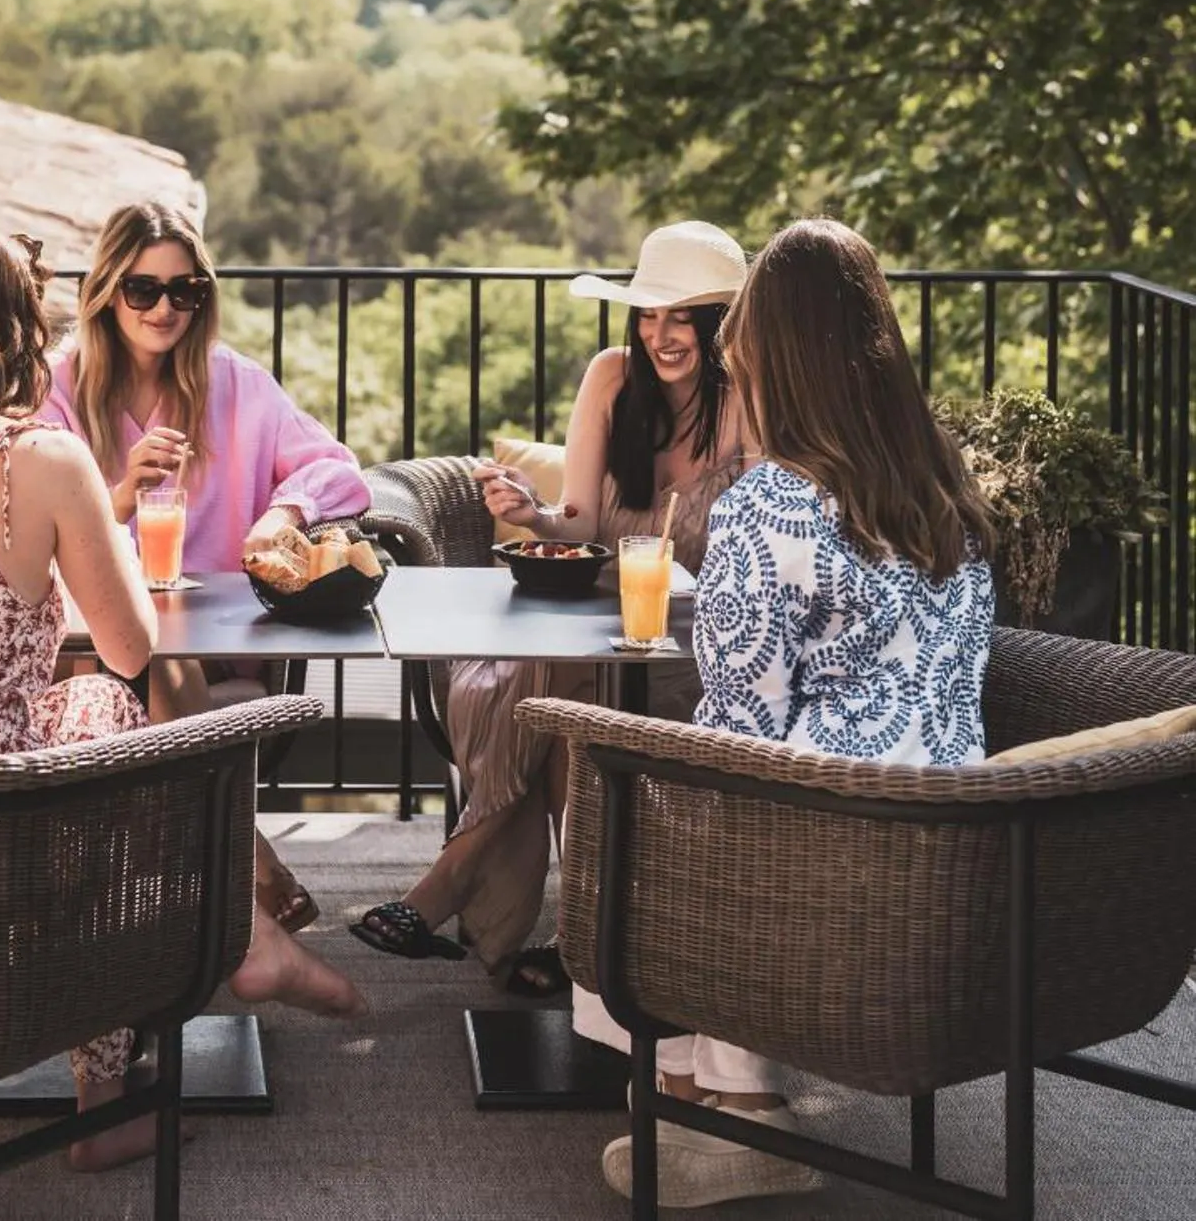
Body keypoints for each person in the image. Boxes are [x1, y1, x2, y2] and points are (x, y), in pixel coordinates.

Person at [0, 223, 359, 1178]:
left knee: (89, 716)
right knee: (107, 711)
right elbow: (129, 645)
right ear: (17, 326)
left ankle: (248, 931)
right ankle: (114, 1086)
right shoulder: (36, 459)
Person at [602, 218, 997, 1209]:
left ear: (769, 362)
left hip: (832, 868)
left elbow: (740, 727)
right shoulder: (945, 492)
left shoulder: (765, 507)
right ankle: (702, 1097)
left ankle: (722, 1107)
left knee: (627, 802)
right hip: (969, 853)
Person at [352, 220, 748, 993]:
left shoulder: (747, 406)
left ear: (718, 325)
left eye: (682, 317)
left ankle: (451, 878)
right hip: (592, 626)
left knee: (544, 688)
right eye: (648, 315)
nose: (660, 335)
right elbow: (582, 527)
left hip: (689, 645)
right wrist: (531, 514)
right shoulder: (611, 378)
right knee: (560, 718)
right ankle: (583, 945)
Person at [40, 200, 373, 934]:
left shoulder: (235, 385)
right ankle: (246, 859)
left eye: (184, 291)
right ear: (106, 292)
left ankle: (138, 931)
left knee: (160, 657)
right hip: (82, 646)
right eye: (143, 290)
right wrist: (121, 495)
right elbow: (34, 533)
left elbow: (337, 471)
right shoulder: (56, 390)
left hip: (208, 643)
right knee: (142, 657)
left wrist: (282, 512)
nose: (165, 308)